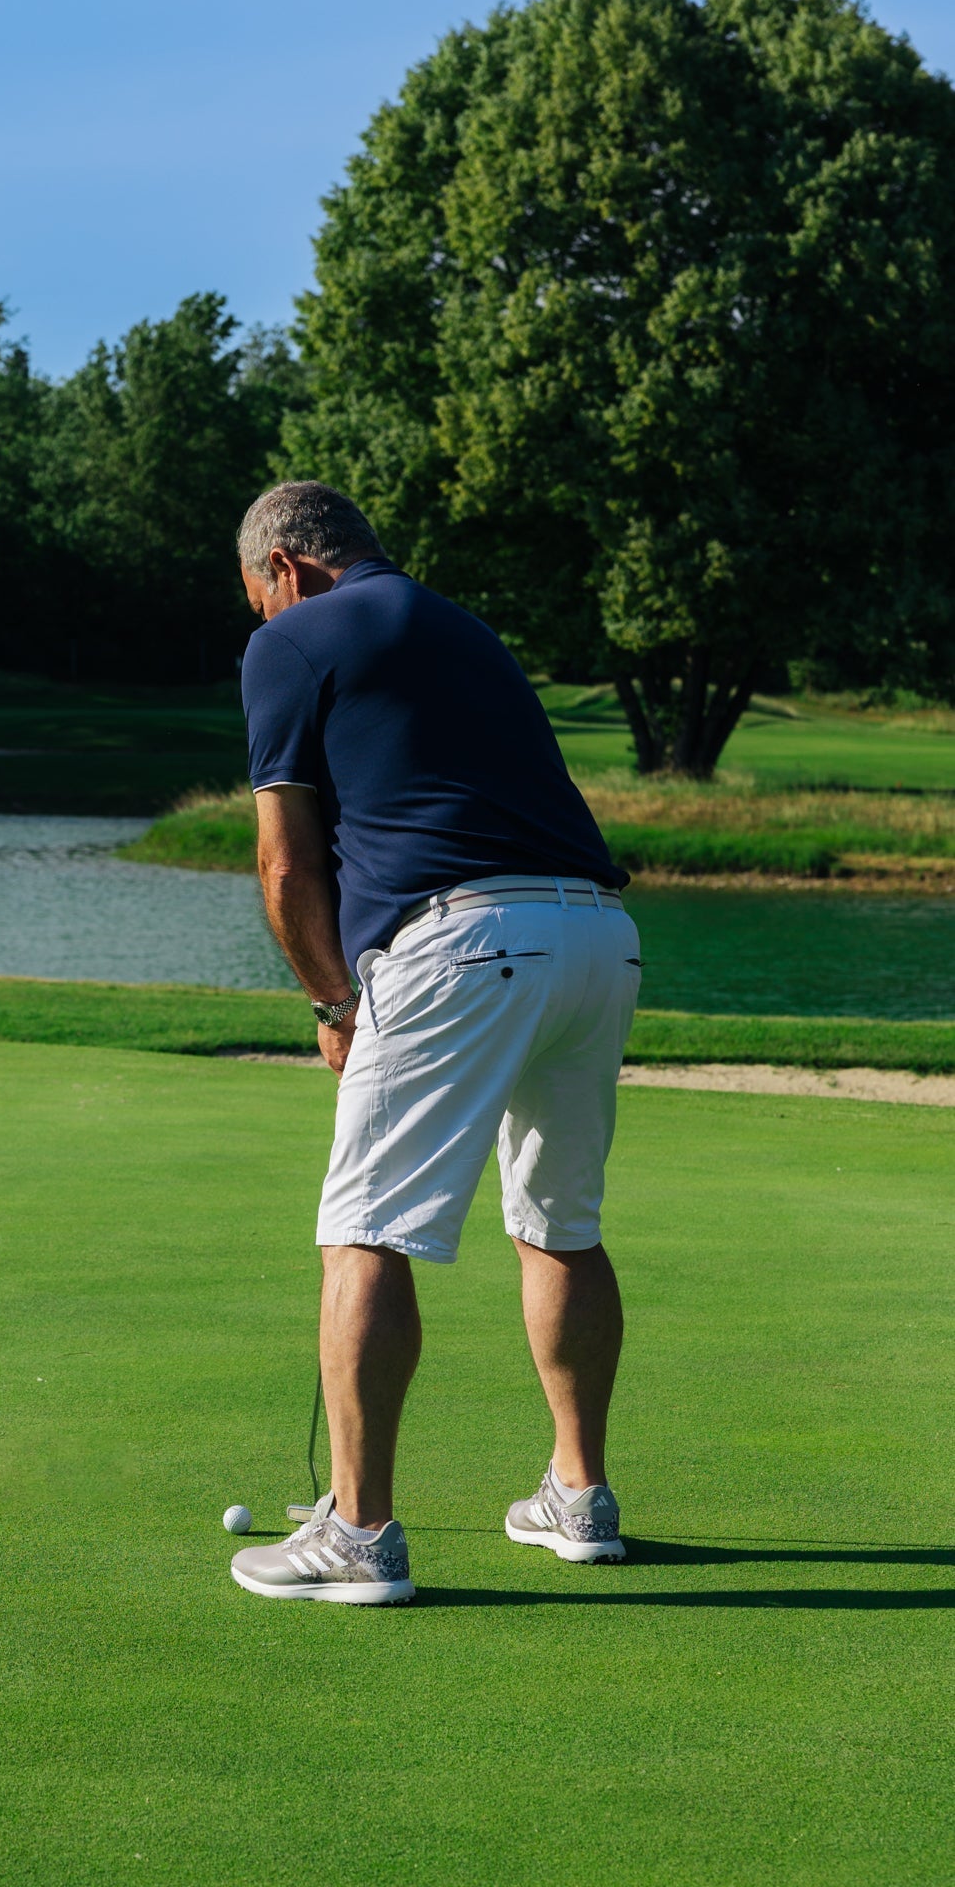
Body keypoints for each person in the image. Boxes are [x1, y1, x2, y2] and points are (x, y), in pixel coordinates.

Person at [226, 482, 639, 1606]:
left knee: (366, 1228)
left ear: (289, 568)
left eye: (258, 597)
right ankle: (579, 1496)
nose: (263, 621)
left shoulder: (293, 638)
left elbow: (283, 860)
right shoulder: (464, 626)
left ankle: (357, 1534)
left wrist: (330, 1001)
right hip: (597, 935)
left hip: (463, 941)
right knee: (562, 1222)